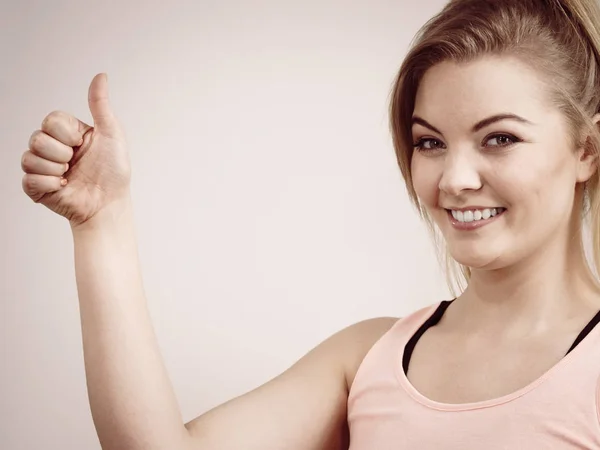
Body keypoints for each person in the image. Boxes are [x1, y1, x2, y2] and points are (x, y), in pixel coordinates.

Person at [19, 0, 600, 448]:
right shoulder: (371, 357)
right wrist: (102, 220)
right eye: (430, 142)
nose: (454, 179)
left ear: (587, 149)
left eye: (499, 138)